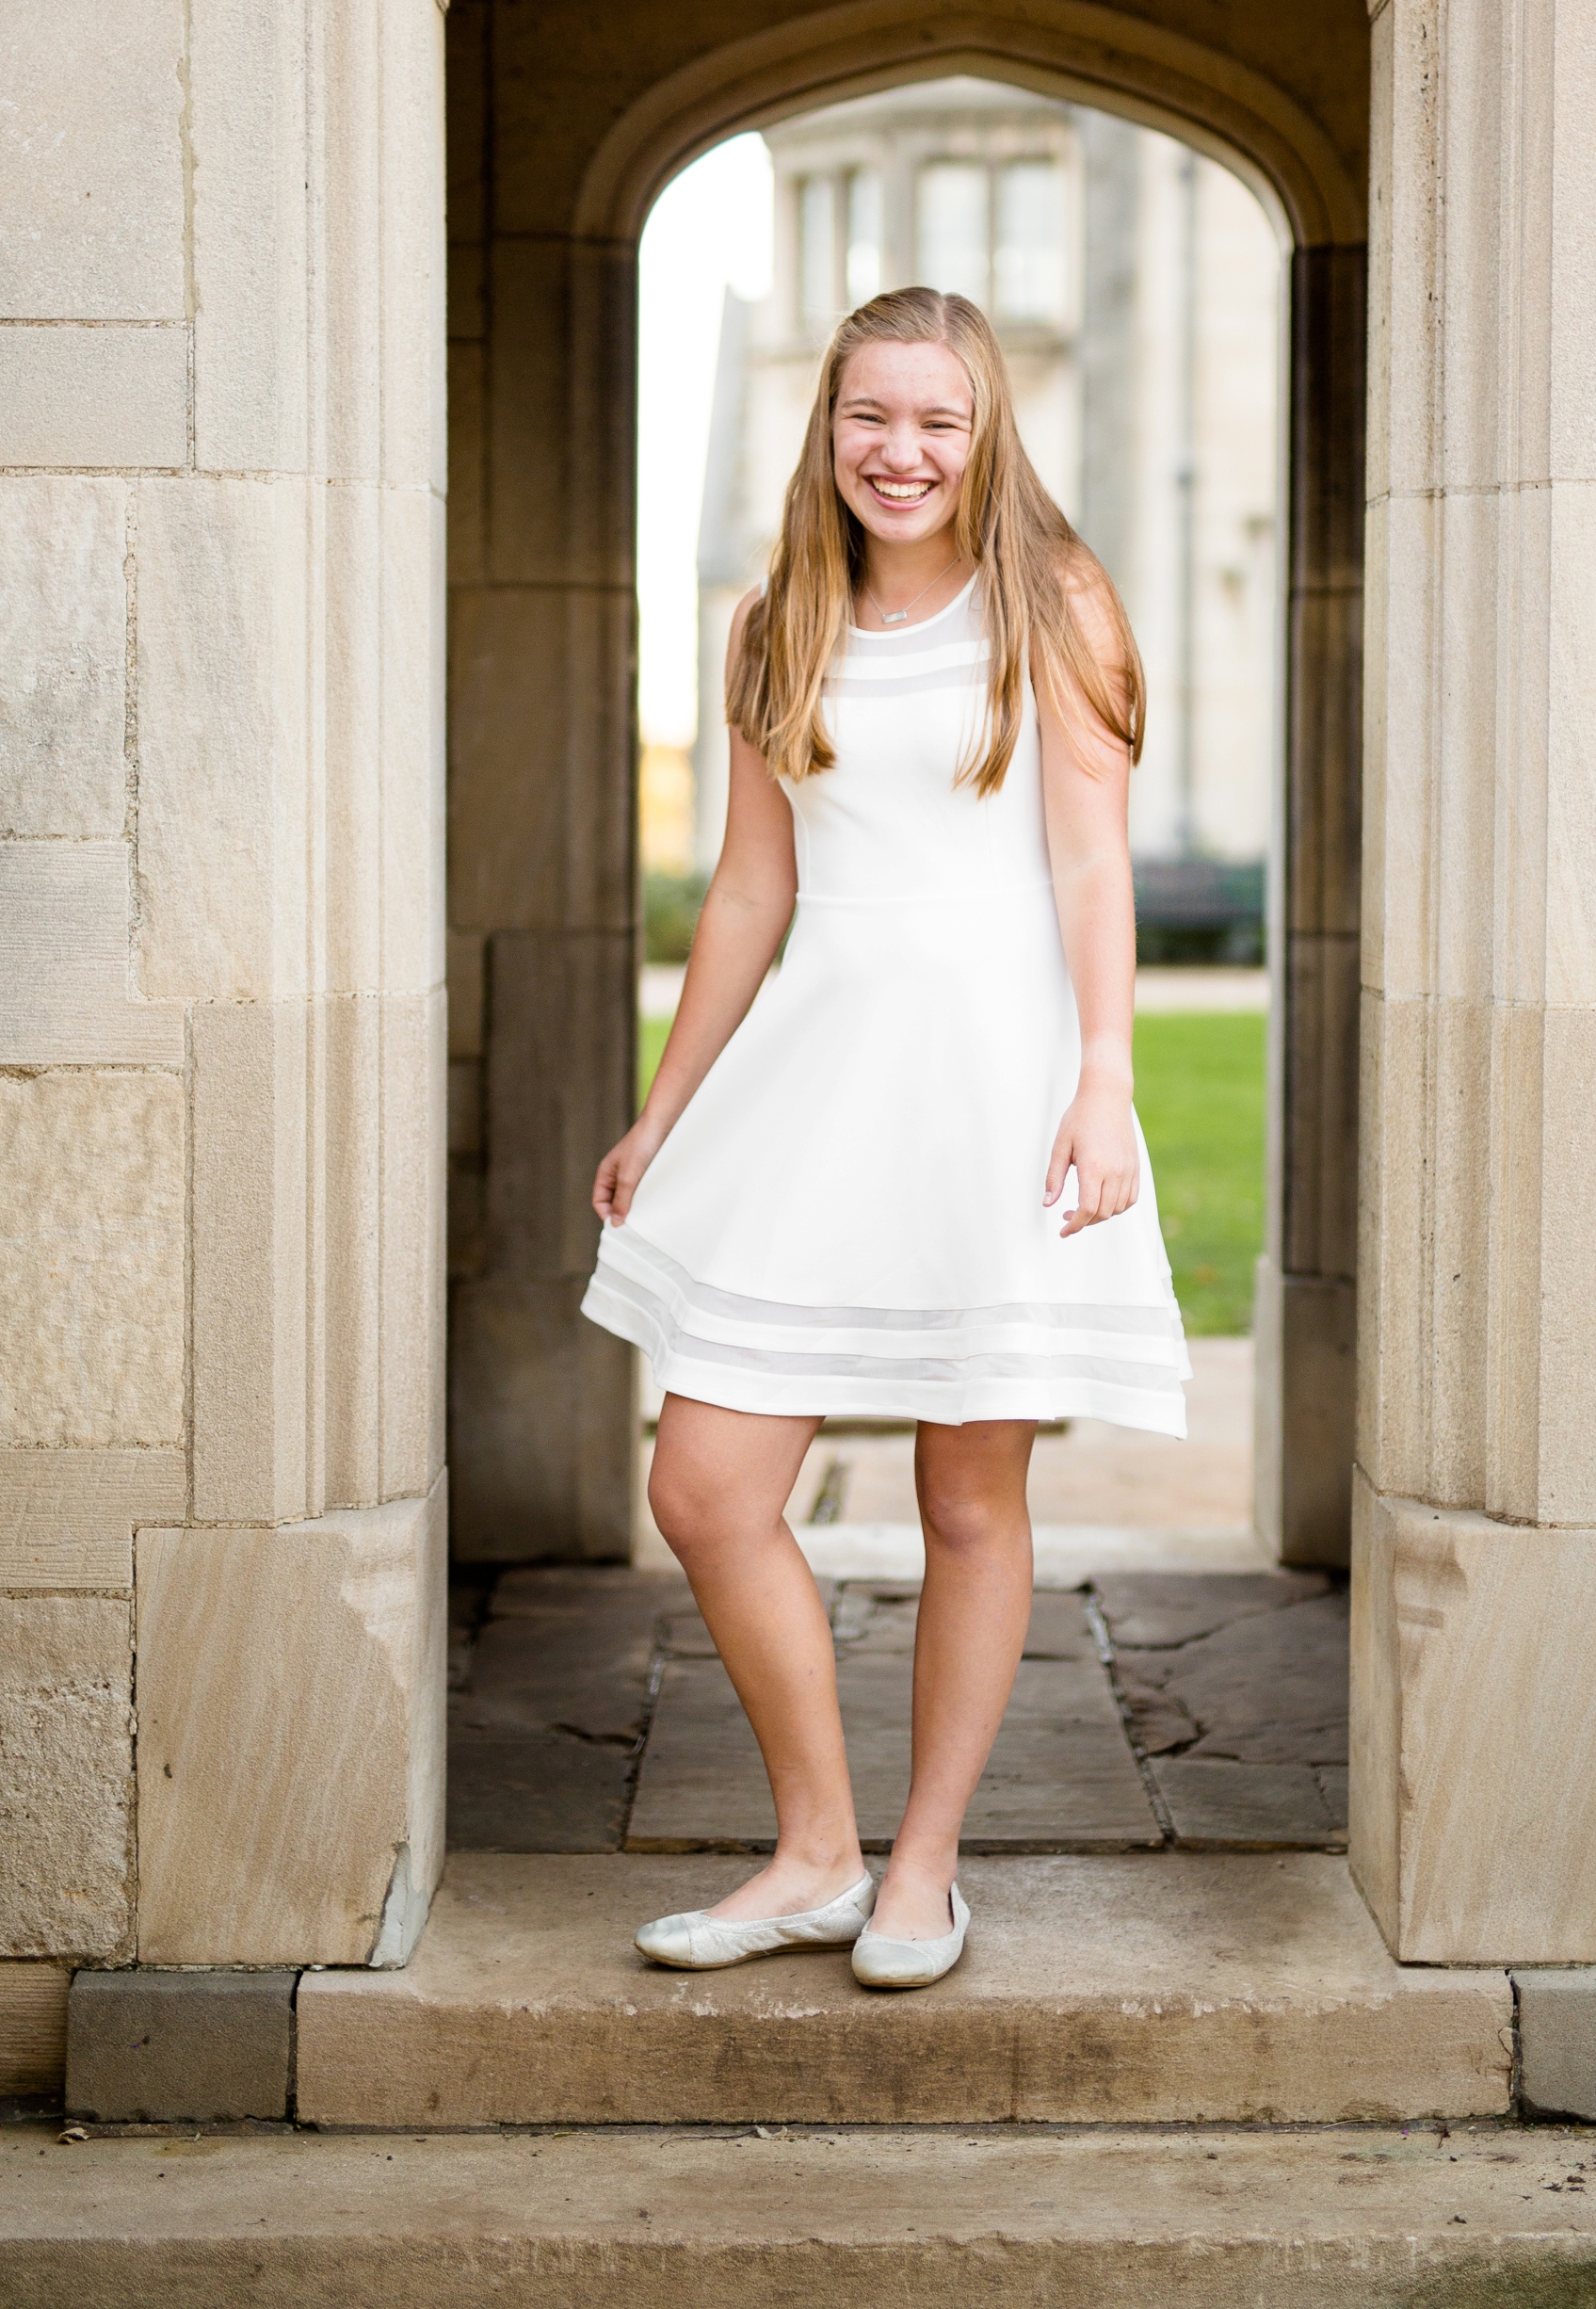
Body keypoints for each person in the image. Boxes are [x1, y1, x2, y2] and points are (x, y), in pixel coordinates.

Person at [585, 284, 1188, 1990]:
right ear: (827, 424)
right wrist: (666, 1108)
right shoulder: (775, 617)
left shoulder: (1056, 604)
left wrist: (1105, 1077)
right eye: (871, 416)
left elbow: (1089, 863)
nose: (900, 451)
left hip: (997, 1090)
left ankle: (922, 1868)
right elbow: (753, 888)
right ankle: (814, 1851)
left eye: (937, 419)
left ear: (985, 425)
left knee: (967, 1495)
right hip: (814, 1088)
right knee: (703, 1484)